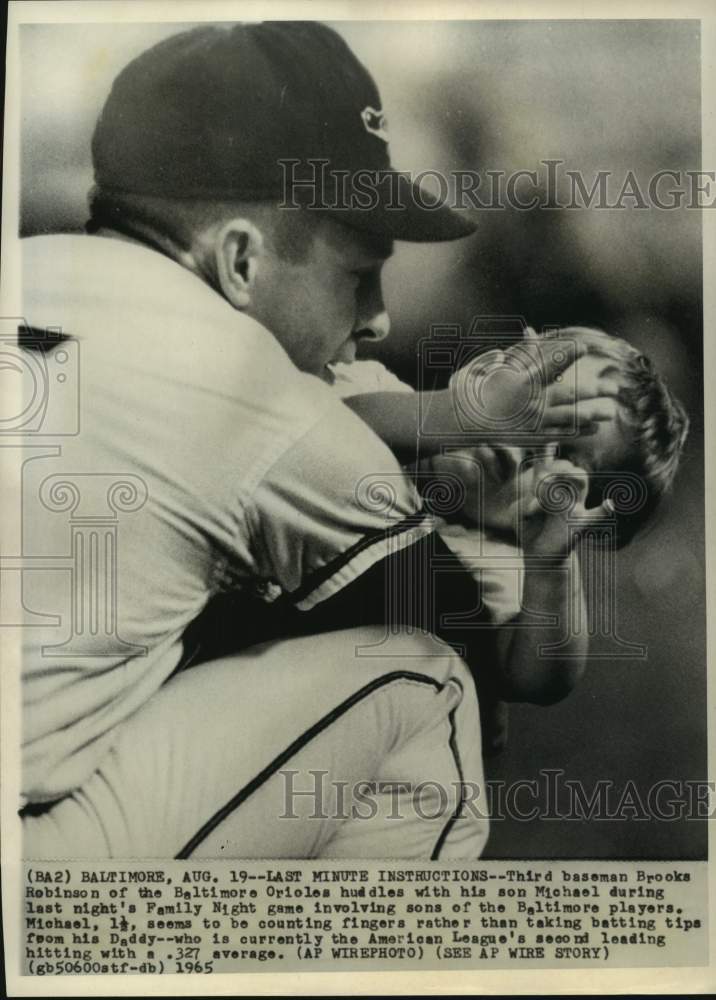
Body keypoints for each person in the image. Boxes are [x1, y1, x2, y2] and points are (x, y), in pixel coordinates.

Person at [19, 22, 613, 860]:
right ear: (239, 261)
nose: (379, 316)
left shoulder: (28, 269)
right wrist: (499, 519)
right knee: (428, 686)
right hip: (35, 862)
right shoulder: (254, 389)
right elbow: (494, 660)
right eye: (356, 273)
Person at [327, 325, 689, 748]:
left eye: (565, 454)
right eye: (540, 399)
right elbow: (321, 435)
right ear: (488, 371)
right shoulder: (375, 390)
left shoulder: (495, 562)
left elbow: (539, 680)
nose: (529, 435)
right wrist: (459, 416)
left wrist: (551, 567)